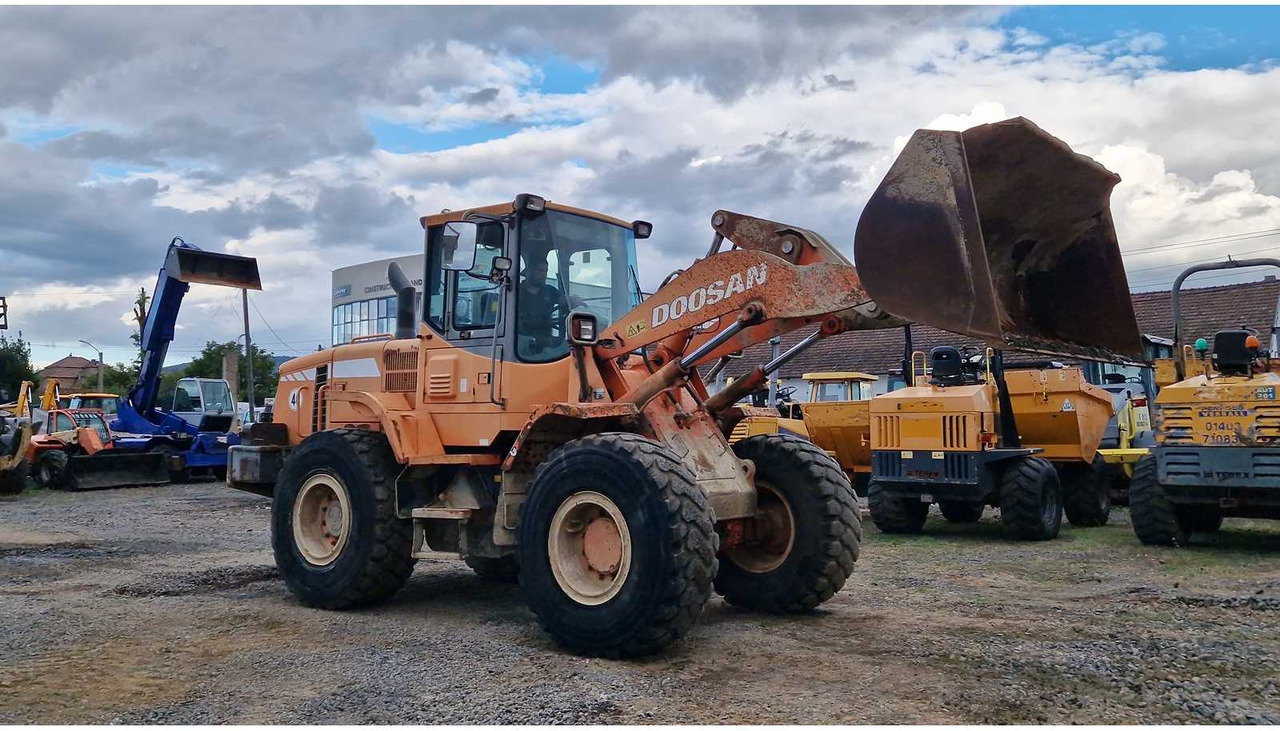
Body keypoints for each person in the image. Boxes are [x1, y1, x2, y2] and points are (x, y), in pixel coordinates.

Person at [518, 257, 570, 350]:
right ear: (529, 271)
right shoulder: (516, 293)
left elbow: (564, 300)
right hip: (522, 342)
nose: (543, 275)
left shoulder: (549, 291)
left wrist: (574, 301)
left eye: (545, 271)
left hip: (546, 340)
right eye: (540, 271)